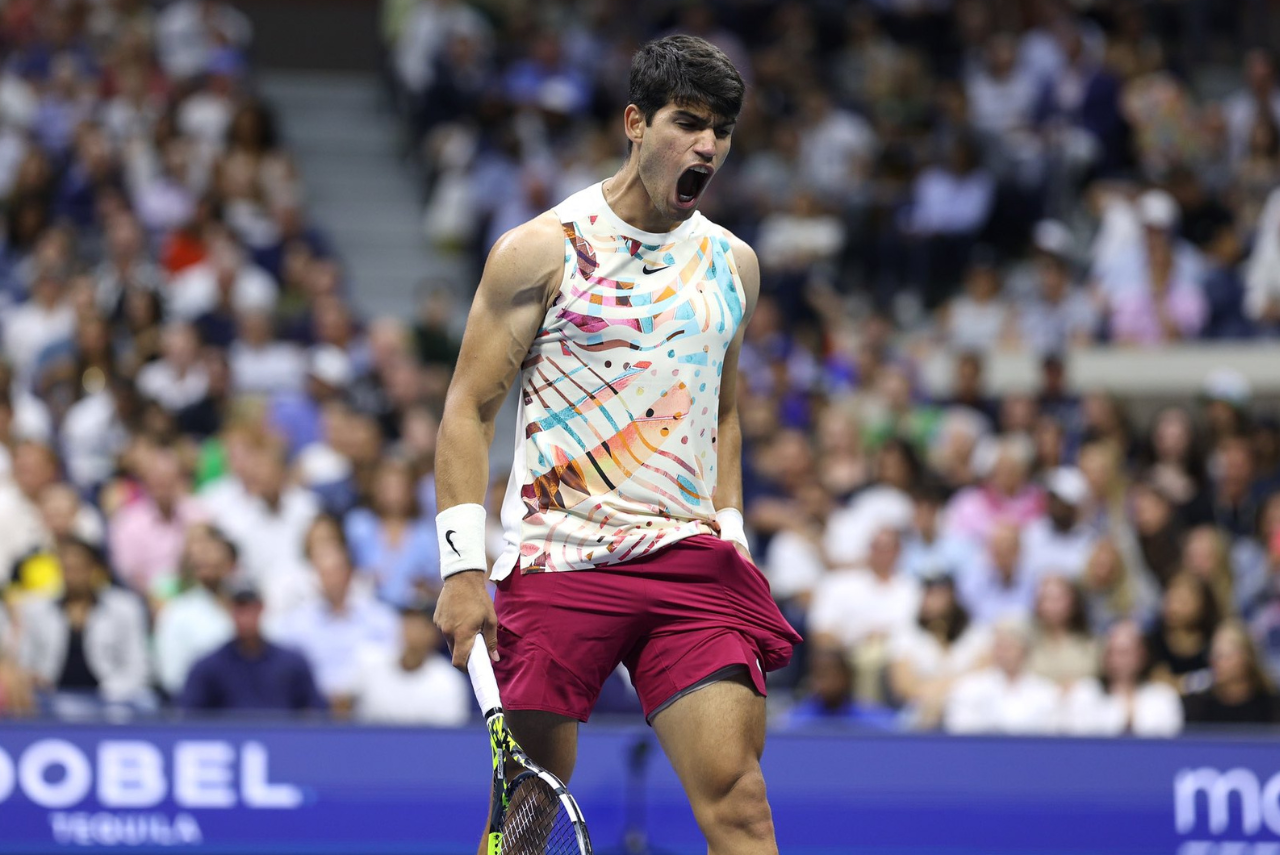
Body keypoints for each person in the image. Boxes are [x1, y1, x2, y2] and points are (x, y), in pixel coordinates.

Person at [432, 36, 801, 855]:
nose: (709, 145)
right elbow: (466, 410)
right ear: (636, 122)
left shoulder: (733, 265)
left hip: (686, 565)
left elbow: (725, 414)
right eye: (689, 123)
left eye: (724, 130)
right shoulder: (541, 251)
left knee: (741, 803)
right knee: (526, 824)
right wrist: (461, 568)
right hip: (560, 561)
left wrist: (731, 532)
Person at [16, 537, 151, 709]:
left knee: (145, 701)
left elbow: (138, 666)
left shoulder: (125, 608)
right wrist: (32, 679)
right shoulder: (37, 610)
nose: (71, 576)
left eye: (78, 569)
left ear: (94, 569)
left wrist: (111, 693)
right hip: (50, 697)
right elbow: (24, 662)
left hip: (112, 696)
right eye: (66, 569)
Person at [179, 577, 327, 714]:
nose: (245, 616)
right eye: (239, 608)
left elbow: (316, 712)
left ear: (262, 608)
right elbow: (188, 718)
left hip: (283, 740)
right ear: (227, 610)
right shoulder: (208, 667)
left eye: (251, 608)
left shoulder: (292, 664)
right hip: (230, 740)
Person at [351, 597, 470, 726]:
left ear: (434, 633)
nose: (411, 629)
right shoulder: (371, 664)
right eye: (408, 621)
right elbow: (344, 715)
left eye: (419, 624)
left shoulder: (448, 681)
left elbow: (450, 738)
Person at [152, 525, 236, 698]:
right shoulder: (178, 611)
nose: (208, 561)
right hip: (200, 706)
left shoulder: (249, 604)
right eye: (201, 562)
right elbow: (172, 676)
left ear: (230, 564)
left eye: (214, 554)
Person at [1062, 620, 1183, 737]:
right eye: (1111, 652)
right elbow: (1075, 739)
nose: (1116, 660)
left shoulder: (1163, 697)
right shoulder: (1084, 692)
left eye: (1124, 653)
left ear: (1142, 655)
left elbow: (1171, 743)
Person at [1183, 620, 1280, 726]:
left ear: (1246, 658)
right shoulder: (1197, 707)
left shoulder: (1272, 706)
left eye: (1224, 656)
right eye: (1213, 655)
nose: (1215, 662)